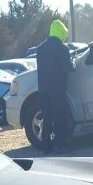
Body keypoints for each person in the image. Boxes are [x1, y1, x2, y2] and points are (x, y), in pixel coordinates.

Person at [36, 19, 75, 153]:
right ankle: (60, 144)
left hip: (43, 88)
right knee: (59, 116)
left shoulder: (40, 48)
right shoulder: (63, 49)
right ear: (61, 33)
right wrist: (73, 64)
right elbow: (67, 67)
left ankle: (46, 146)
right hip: (57, 88)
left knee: (47, 116)